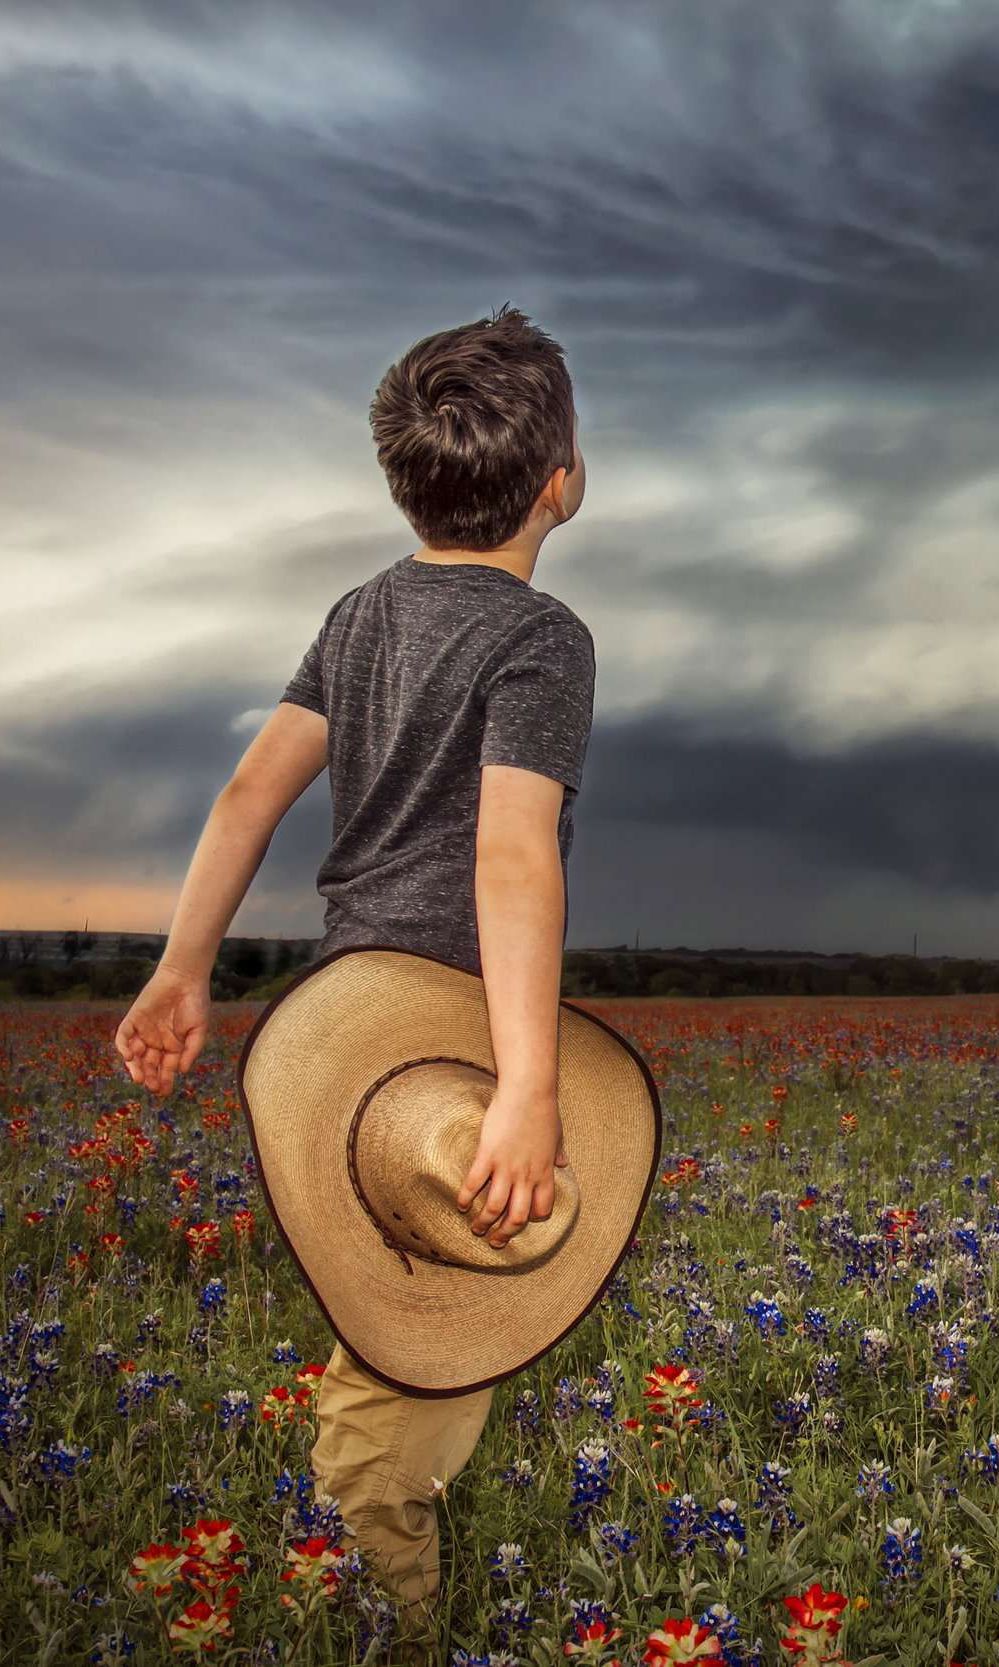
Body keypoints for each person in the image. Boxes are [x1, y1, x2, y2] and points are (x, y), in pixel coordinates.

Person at [113, 305, 597, 1647]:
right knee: (426, 1327)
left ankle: (354, 1555)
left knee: (401, 1308)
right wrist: (532, 1085)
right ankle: (379, 1603)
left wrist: (182, 967)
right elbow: (512, 855)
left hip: (343, 1024)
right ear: (562, 479)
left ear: (400, 476)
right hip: (449, 1028)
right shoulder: (544, 638)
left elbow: (249, 789)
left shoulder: (359, 610)